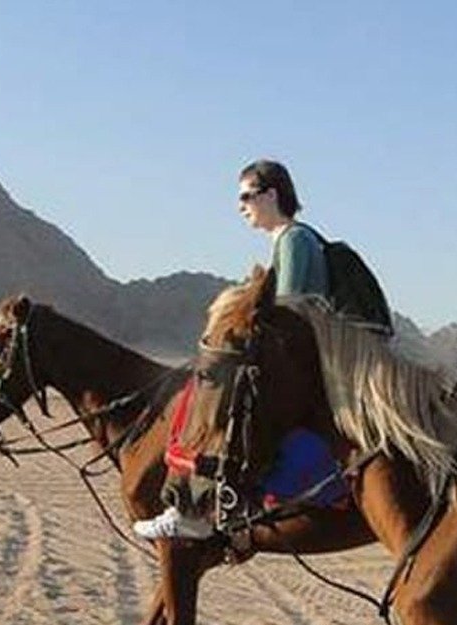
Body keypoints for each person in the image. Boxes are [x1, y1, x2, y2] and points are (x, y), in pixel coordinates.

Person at [133, 159, 333, 540]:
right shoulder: (292, 240)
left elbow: (287, 314)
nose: (241, 206)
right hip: (299, 360)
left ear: (271, 194)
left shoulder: (293, 239)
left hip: (294, 364)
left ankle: (194, 512)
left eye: (246, 196)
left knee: (213, 406)